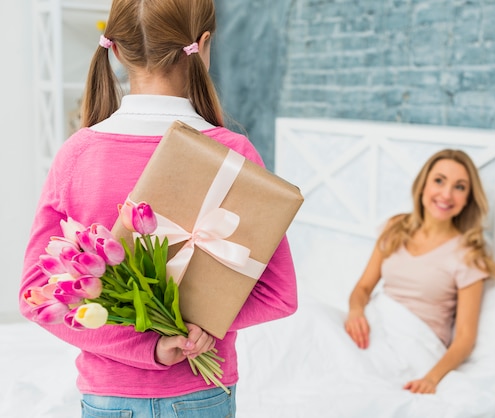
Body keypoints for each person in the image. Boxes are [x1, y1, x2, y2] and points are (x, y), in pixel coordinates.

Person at [19, 0, 298, 416]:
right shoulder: (233, 153)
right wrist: (194, 334)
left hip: (108, 395)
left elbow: (36, 295)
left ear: (113, 49)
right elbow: (279, 296)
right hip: (203, 389)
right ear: (203, 45)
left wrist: (148, 347)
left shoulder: (78, 154)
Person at [344, 149, 495, 394]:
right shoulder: (396, 227)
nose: (446, 194)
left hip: (415, 345)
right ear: (423, 185)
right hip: (375, 326)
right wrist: (355, 311)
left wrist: (432, 378)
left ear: (468, 198)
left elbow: (464, 339)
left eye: (459, 187)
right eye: (439, 181)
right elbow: (363, 288)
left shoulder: (469, 255)